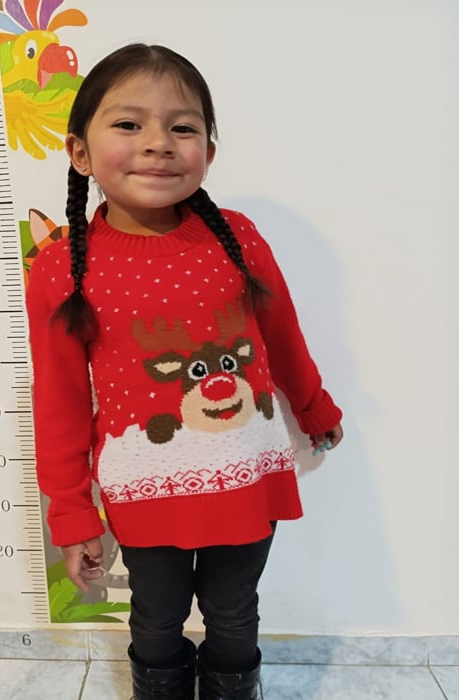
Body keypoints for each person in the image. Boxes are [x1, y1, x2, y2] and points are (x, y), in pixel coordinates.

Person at [26, 43, 343, 700]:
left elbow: (283, 336)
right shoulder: (59, 270)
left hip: (246, 476)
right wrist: (72, 513)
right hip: (143, 489)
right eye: (128, 123)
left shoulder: (240, 238)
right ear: (79, 152)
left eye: (182, 127)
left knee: (234, 613)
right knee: (157, 617)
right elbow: (58, 402)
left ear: (209, 152)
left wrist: (314, 406)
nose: (158, 143)